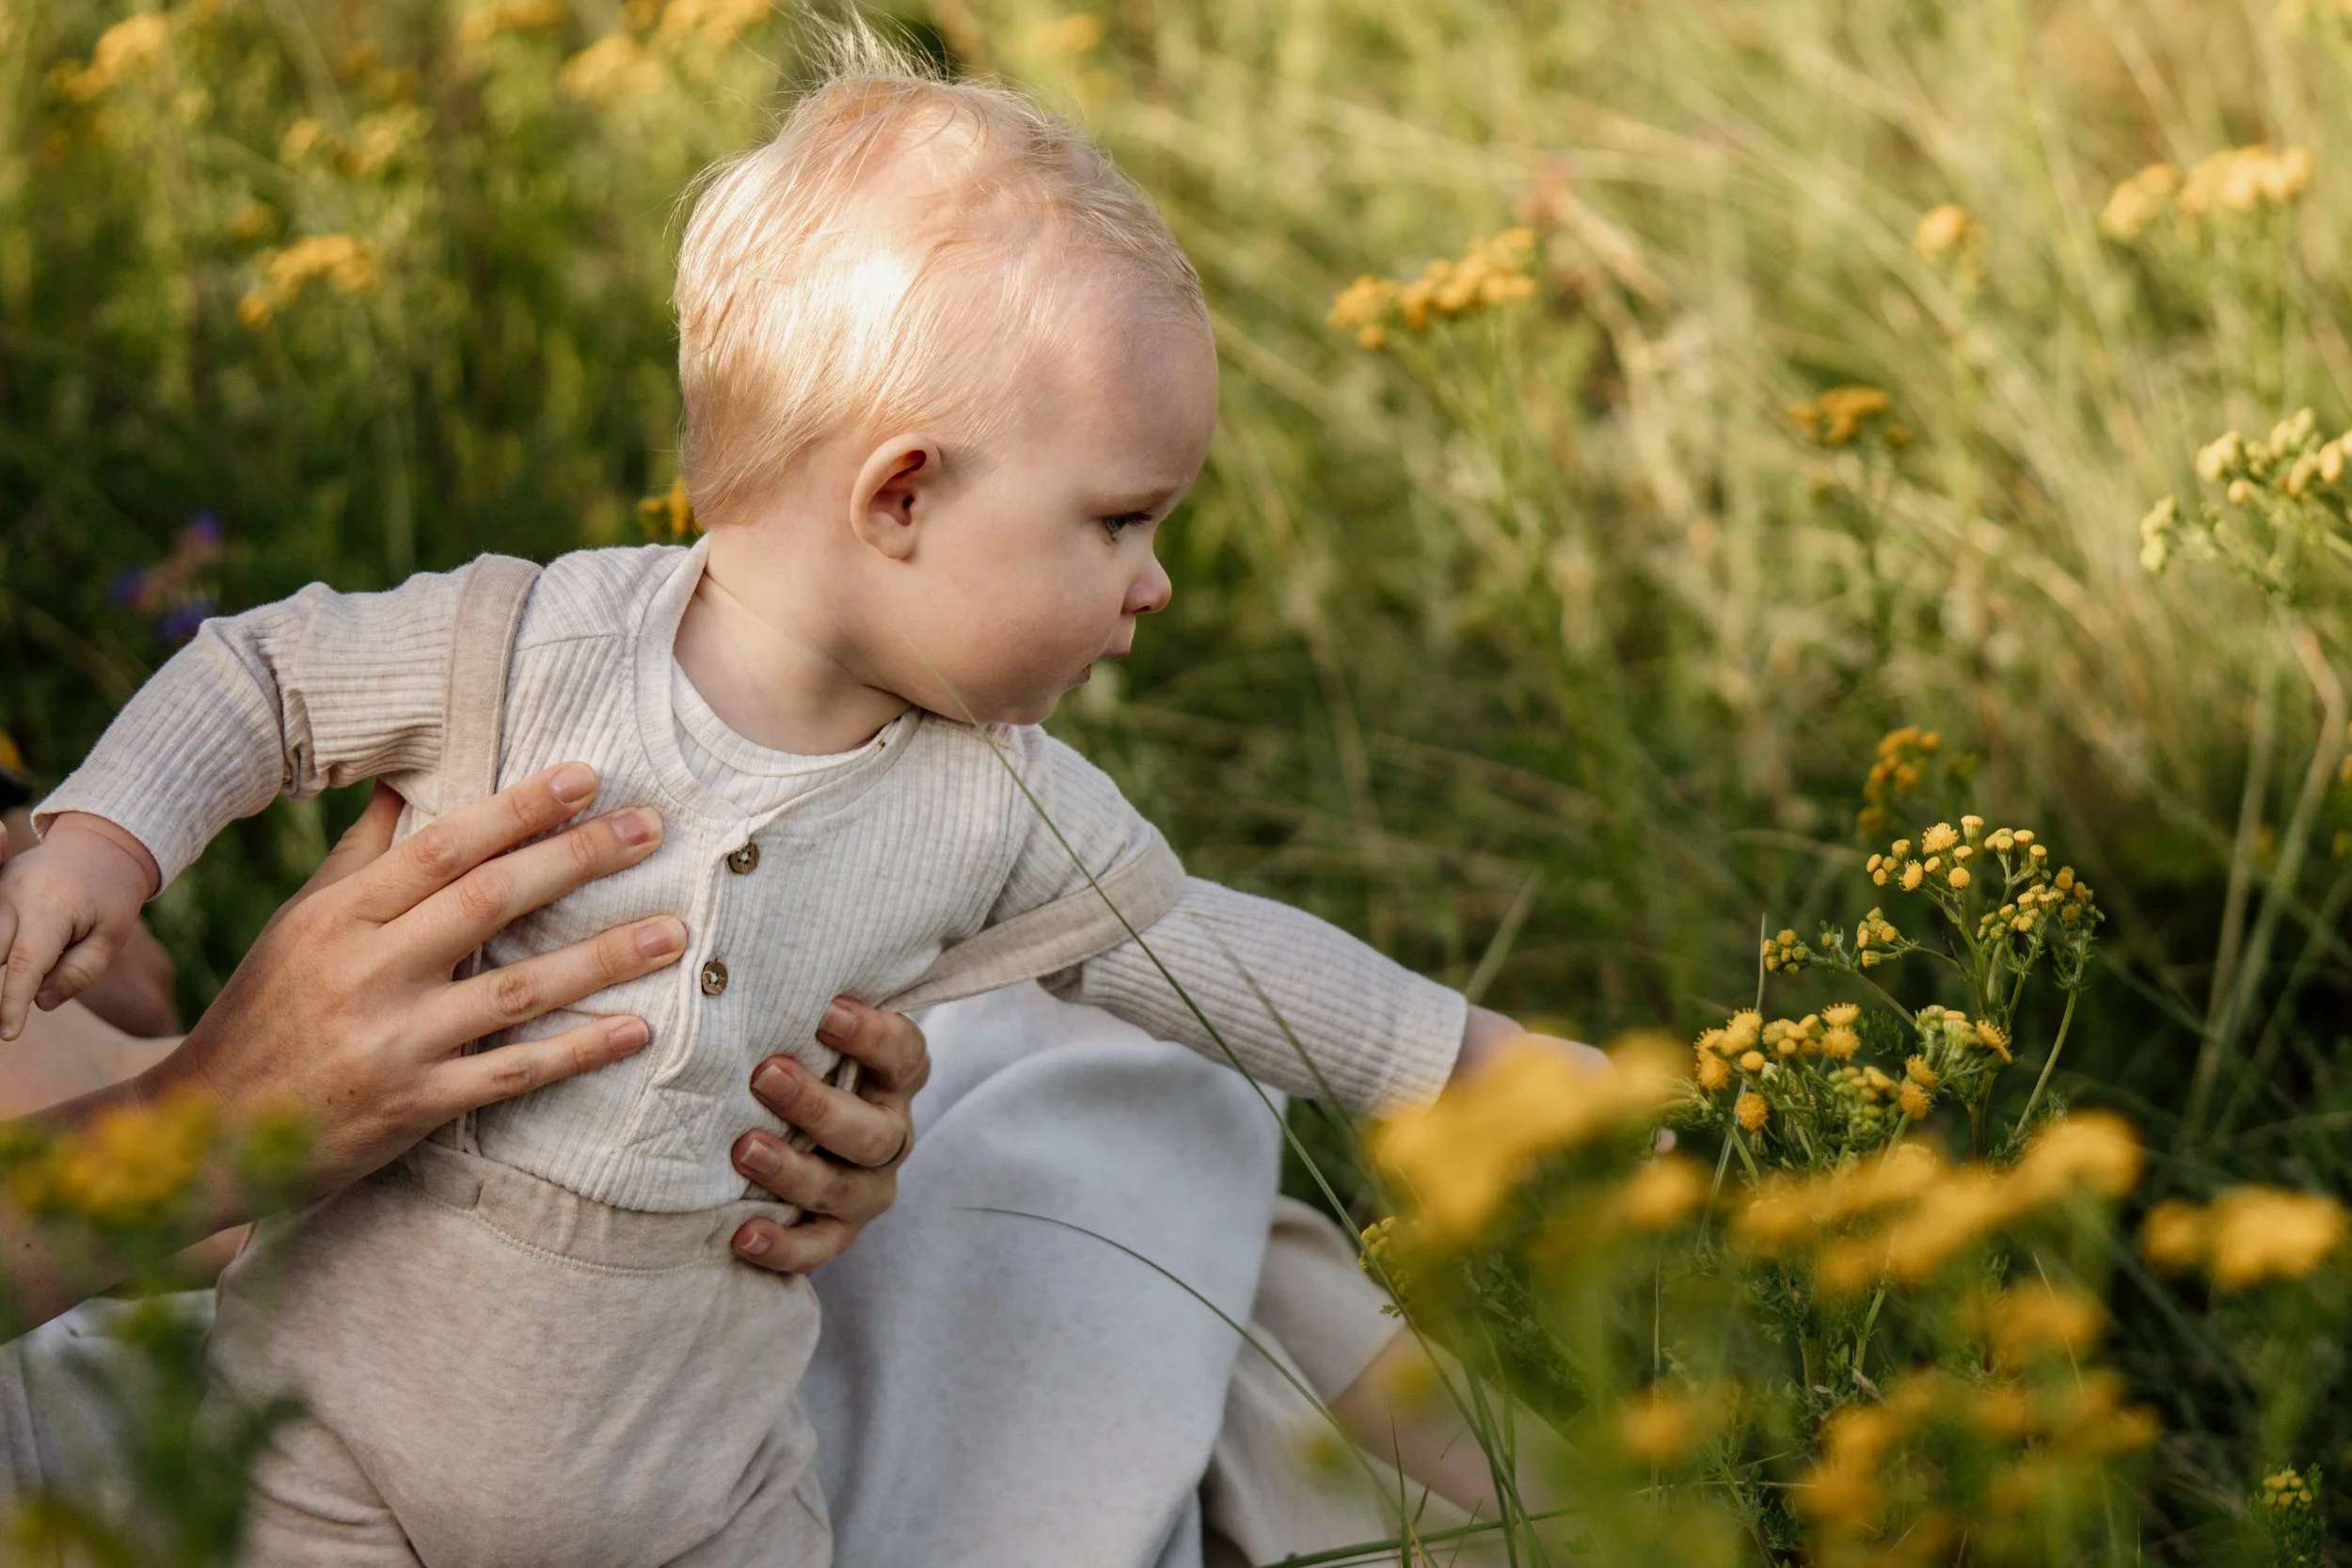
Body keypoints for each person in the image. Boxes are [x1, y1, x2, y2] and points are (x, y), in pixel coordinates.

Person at [0, 39, 1592, 1567]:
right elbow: (262, 683)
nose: (1155, 583)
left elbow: (1198, 953)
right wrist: (106, 834)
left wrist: (1476, 1064)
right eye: (1119, 522)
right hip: (341, 1423)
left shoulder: (995, 804)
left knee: (1111, 1090)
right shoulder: (519, 646)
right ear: (898, 493)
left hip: (695, 1470)